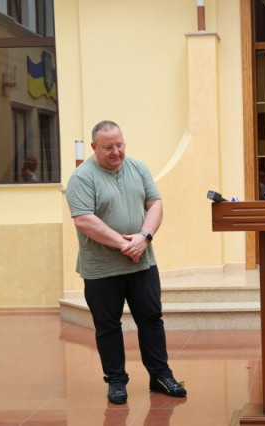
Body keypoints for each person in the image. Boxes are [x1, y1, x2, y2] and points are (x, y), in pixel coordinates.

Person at [65, 120, 186, 405]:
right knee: (107, 325)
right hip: (101, 269)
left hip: (142, 263)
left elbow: (155, 204)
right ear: (94, 147)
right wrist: (124, 244)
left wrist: (144, 237)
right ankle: (116, 381)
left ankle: (160, 375)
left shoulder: (138, 168)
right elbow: (84, 219)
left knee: (151, 319)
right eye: (108, 147)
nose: (116, 152)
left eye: (120, 145)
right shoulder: (81, 178)